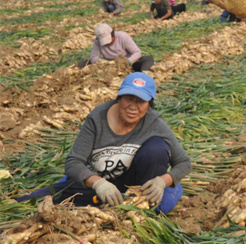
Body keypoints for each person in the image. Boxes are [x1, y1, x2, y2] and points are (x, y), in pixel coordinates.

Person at [15, 72, 191, 214]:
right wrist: (99, 184)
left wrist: (162, 181)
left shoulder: (153, 122)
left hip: (134, 187)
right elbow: (73, 163)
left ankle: (143, 204)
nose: (133, 106)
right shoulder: (97, 118)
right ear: (119, 97)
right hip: (100, 186)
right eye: (129, 98)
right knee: (30, 202)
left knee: (156, 149)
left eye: (141, 101)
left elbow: (184, 163)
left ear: (149, 104)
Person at [81, 23, 155, 72]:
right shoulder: (97, 42)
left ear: (113, 34)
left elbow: (137, 52)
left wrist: (127, 62)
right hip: (109, 67)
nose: (107, 43)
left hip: (127, 64)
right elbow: (93, 58)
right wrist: (109, 63)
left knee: (148, 59)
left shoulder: (122, 37)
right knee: (85, 63)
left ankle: (144, 75)